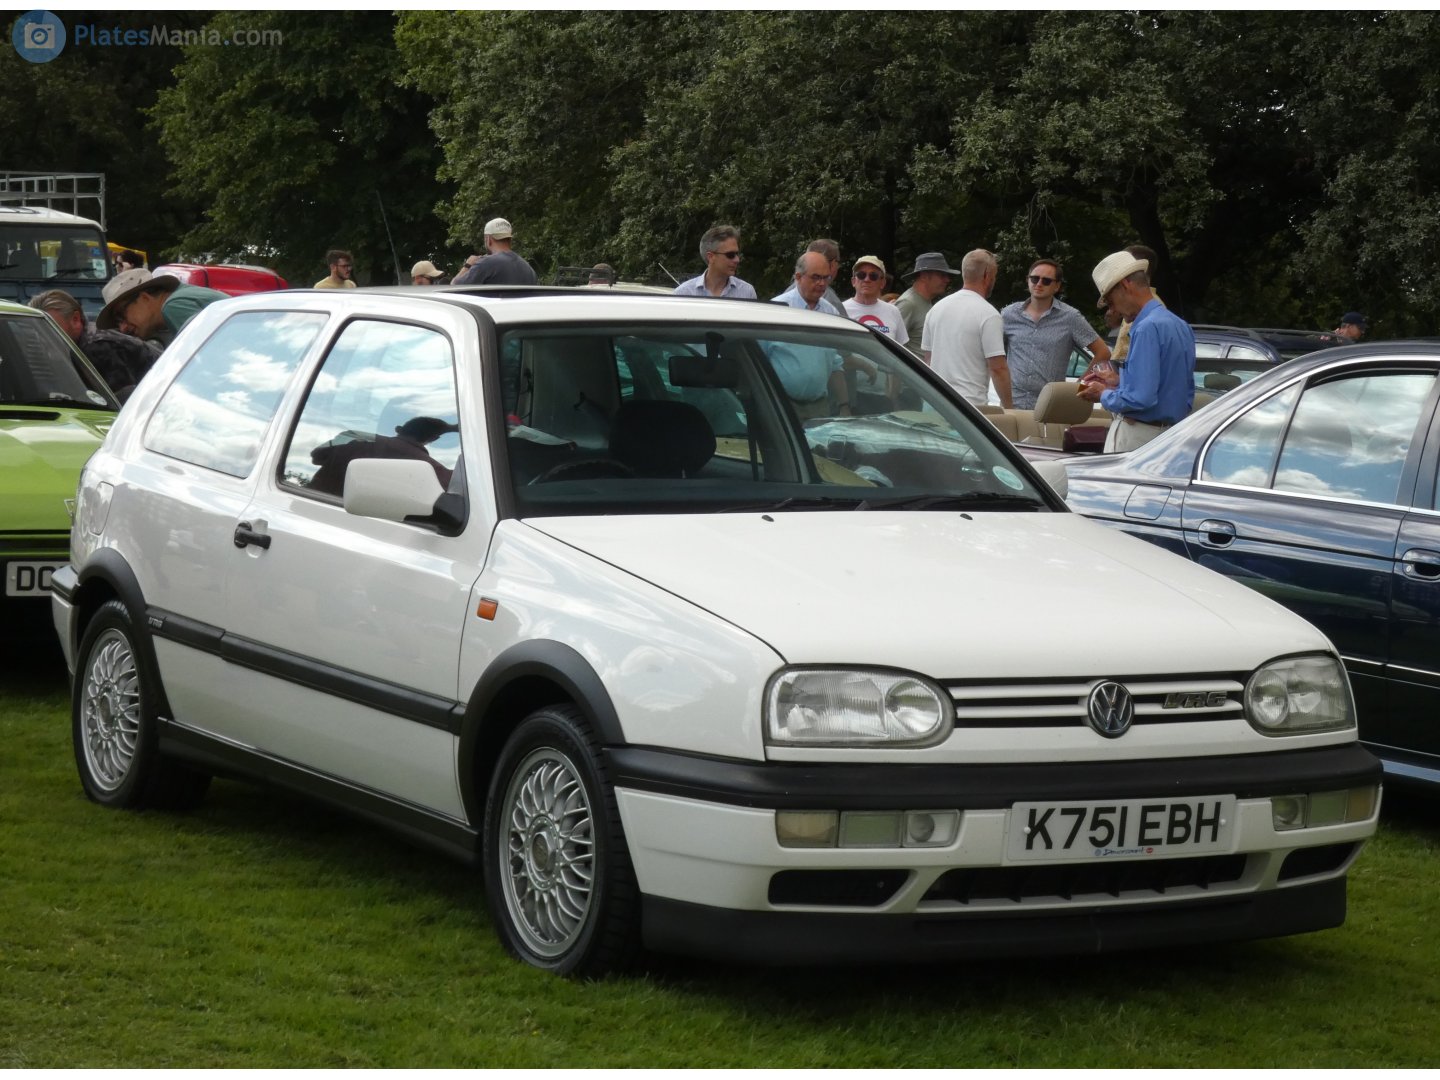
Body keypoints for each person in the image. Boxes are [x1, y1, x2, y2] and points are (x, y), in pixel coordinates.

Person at [1078, 250, 1195, 452]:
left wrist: (1102, 393)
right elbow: (1174, 387)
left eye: (1110, 301)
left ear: (1125, 285)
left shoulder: (1145, 327)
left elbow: (1141, 398)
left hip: (1140, 437)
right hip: (1171, 436)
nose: (1113, 310)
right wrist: (1120, 382)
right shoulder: (1180, 324)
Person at [1002, 258, 1113, 409]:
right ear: (1027, 280)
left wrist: (1078, 387)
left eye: (1046, 281)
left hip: (1050, 406)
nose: (1039, 283)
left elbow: (1103, 353)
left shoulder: (1070, 317)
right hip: (1012, 403)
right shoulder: (1008, 314)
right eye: (1034, 279)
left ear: (1057, 286)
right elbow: (993, 356)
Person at [30, 288, 160, 400]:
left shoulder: (97, 347)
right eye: (37, 329)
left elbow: (123, 399)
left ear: (75, 319)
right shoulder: (81, 342)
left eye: (51, 327)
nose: (43, 335)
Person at [922, 249, 1012, 409]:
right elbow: (998, 368)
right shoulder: (989, 314)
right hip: (968, 407)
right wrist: (1009, 407)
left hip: (935, 403)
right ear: (987, 275)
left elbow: (928, 359)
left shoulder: (936, 309)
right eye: (995, 275)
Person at [766, 252, 848, 419]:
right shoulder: (776, 310)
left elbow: (834, 362)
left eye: (826, 278)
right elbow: (759, 357)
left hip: (819, 406)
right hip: (780, 404)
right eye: (816, 277)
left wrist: (844, 405)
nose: (822, 283)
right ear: (798, 277)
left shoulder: (830, 312)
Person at [95, 269, 228, 350]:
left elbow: (212, 356)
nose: (123, 328)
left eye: (121, 315)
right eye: (117, 323)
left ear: (145, 298)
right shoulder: (180, 298)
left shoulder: (173, 306)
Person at [842, 256, 902, 406]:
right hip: (849, 392)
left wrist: (894, 395)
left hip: (883, 395)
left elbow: (899, 355)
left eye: (873, 276)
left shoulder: (893, 311)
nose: (867, 279)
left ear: (882, 283)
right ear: (853, 281)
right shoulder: (840, 309)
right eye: (861, 275)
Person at [895, 252, 961, 358]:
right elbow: (889, 344)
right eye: (942, 275)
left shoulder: (924, 301)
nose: (947, 280)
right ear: (924, 276)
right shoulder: (908, 303)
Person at [671, 225, 757, 299]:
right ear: (711, 257)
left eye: (737, 254)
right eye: (730, 255)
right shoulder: (684, 293)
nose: (737, 260)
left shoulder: (747, 292)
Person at [1110, 244, 1163, 362]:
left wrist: (1113, 370)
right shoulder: (1156, 307)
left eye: (1125, 267)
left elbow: (1124, 356)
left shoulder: (1139, 310)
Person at [450, 218, 538, 286]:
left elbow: (454, 287)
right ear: (510, 239)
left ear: (488, 239)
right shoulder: (529, 269)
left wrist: (467, 265)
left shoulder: (485, 264)